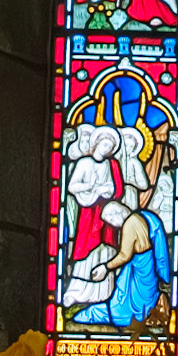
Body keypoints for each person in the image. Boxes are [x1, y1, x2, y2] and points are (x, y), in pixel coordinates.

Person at [74, 189, 172, 328]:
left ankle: (95, 314)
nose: (114, 224)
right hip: (146, 268)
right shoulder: (143, 216)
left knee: (121, 313)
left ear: (119, 212)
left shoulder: (129, 224)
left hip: (140, 273)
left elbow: (125, 255)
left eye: (111, 220)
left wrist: (105, 267)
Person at [63, 125, 124, 308]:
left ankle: (103, 293)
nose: (106, 150)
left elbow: (116, 189)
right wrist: (91, 187)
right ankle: (76, 292)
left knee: (106, 249)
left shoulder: (110, 165)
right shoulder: (84, 163)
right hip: (89, 213)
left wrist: (106, 190)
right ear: (96, 143)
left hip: (106, 215)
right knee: (85, 248)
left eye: (109, 148)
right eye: (104, 145)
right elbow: (72, 186)